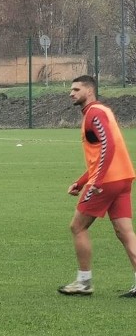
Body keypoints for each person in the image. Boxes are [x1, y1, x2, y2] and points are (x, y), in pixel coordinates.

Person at [58, 75, 136, 297]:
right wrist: (81, 181)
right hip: (123, 178)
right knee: (125, 232)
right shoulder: (103, 111)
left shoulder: (94, 113)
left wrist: (97, 181)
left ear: (89, 91)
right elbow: (100, 152)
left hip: (107, 182)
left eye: (76, 89)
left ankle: (84, 282)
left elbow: (108, 146)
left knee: (77, 227)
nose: (71, 93)